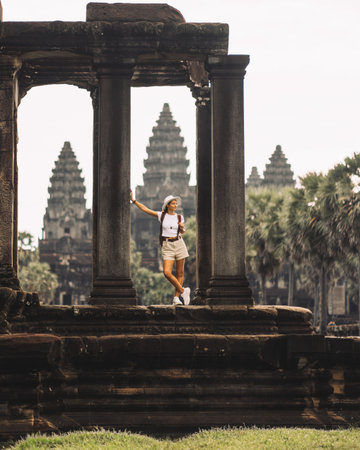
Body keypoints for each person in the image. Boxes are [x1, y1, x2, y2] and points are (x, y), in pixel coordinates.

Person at [130, 190, 191, 305]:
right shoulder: (161, 215)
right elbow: (145, 209)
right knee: (167, 272)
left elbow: (182, 232)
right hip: (167, 245)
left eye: (176, 203)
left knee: (180, 273)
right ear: (167, 205)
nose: (175, 205)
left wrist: (182, 228)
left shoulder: (179, 217)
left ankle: (176, 298)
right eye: (173, 203)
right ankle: (183, 291)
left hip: (179, 243)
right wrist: (134, 201)